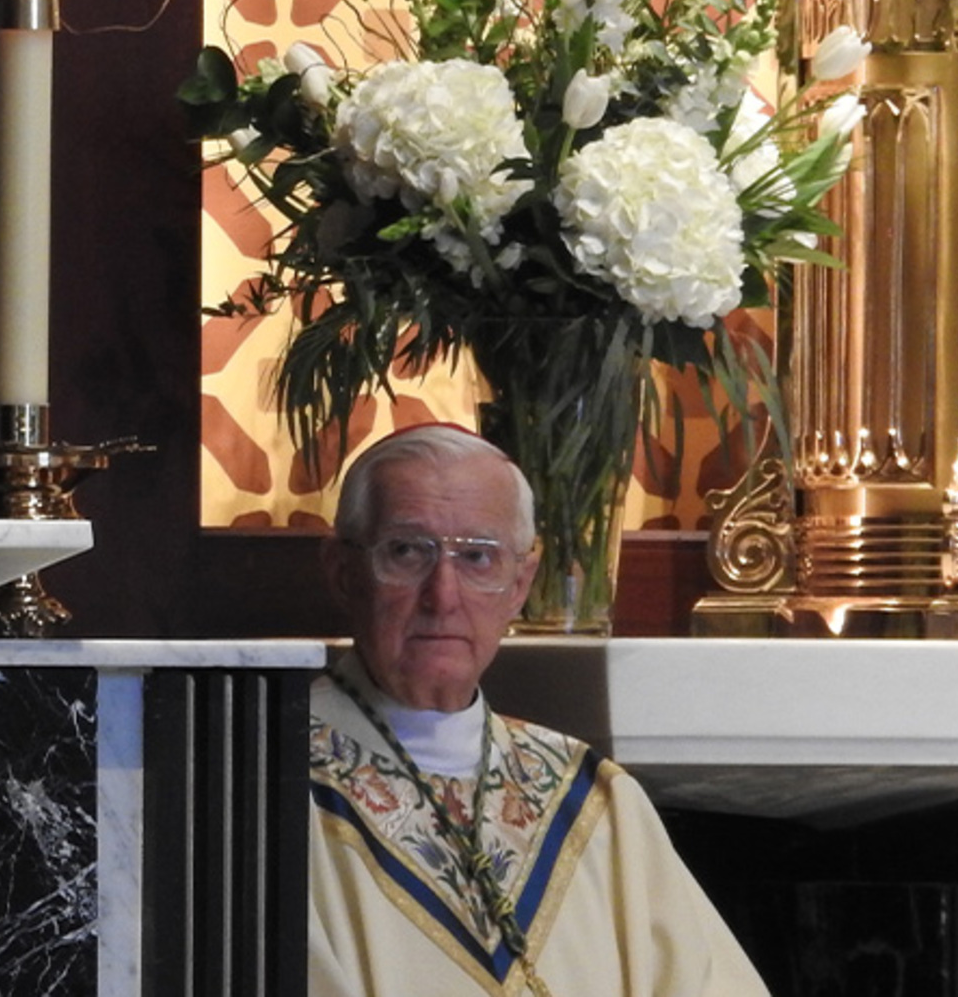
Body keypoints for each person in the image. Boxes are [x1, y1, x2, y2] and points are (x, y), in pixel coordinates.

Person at [307, 424, 768, 996]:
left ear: (521, 583)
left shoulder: (597, 802)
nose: (443, 596)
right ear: (342, 572)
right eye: (406, 551)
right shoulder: (270, 790)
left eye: (478, 557)